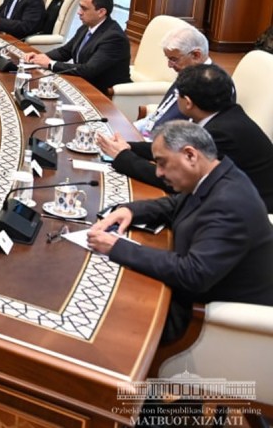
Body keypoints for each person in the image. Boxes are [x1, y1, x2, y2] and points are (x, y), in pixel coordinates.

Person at [89, 121, 273, 344]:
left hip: (206, 318)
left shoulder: (230, 204)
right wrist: (130, 211)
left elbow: (193, 273)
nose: (158, 172)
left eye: (162, 163)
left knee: (104, 320)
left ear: (190, 155)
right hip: (187, 289)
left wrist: (116, 247)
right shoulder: (215, 174)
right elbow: (176, 204)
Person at [97, 64, 273, 213]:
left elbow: (175, 179)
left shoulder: (221, 133)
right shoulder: (223, 115)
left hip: (247, 211)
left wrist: (123, 157)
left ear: (187, 102)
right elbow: (175, 148)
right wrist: (129, 147)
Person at [22, 0, 131, 94]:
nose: (79, 12)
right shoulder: (86, 27)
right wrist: (41, 57)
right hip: (83, 84)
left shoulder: (114, 38)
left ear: (101, 12)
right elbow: (65, 51)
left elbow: (89, 70)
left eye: (84, 9)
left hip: (103, 94)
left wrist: (51, 64)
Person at [132, 27, 211, 138]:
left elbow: (189, 135)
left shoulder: (211, 85)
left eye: (174, 59)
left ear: (196, 55)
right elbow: (160, 113)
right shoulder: (188, 72)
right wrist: (131, 128)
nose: (169, 65)